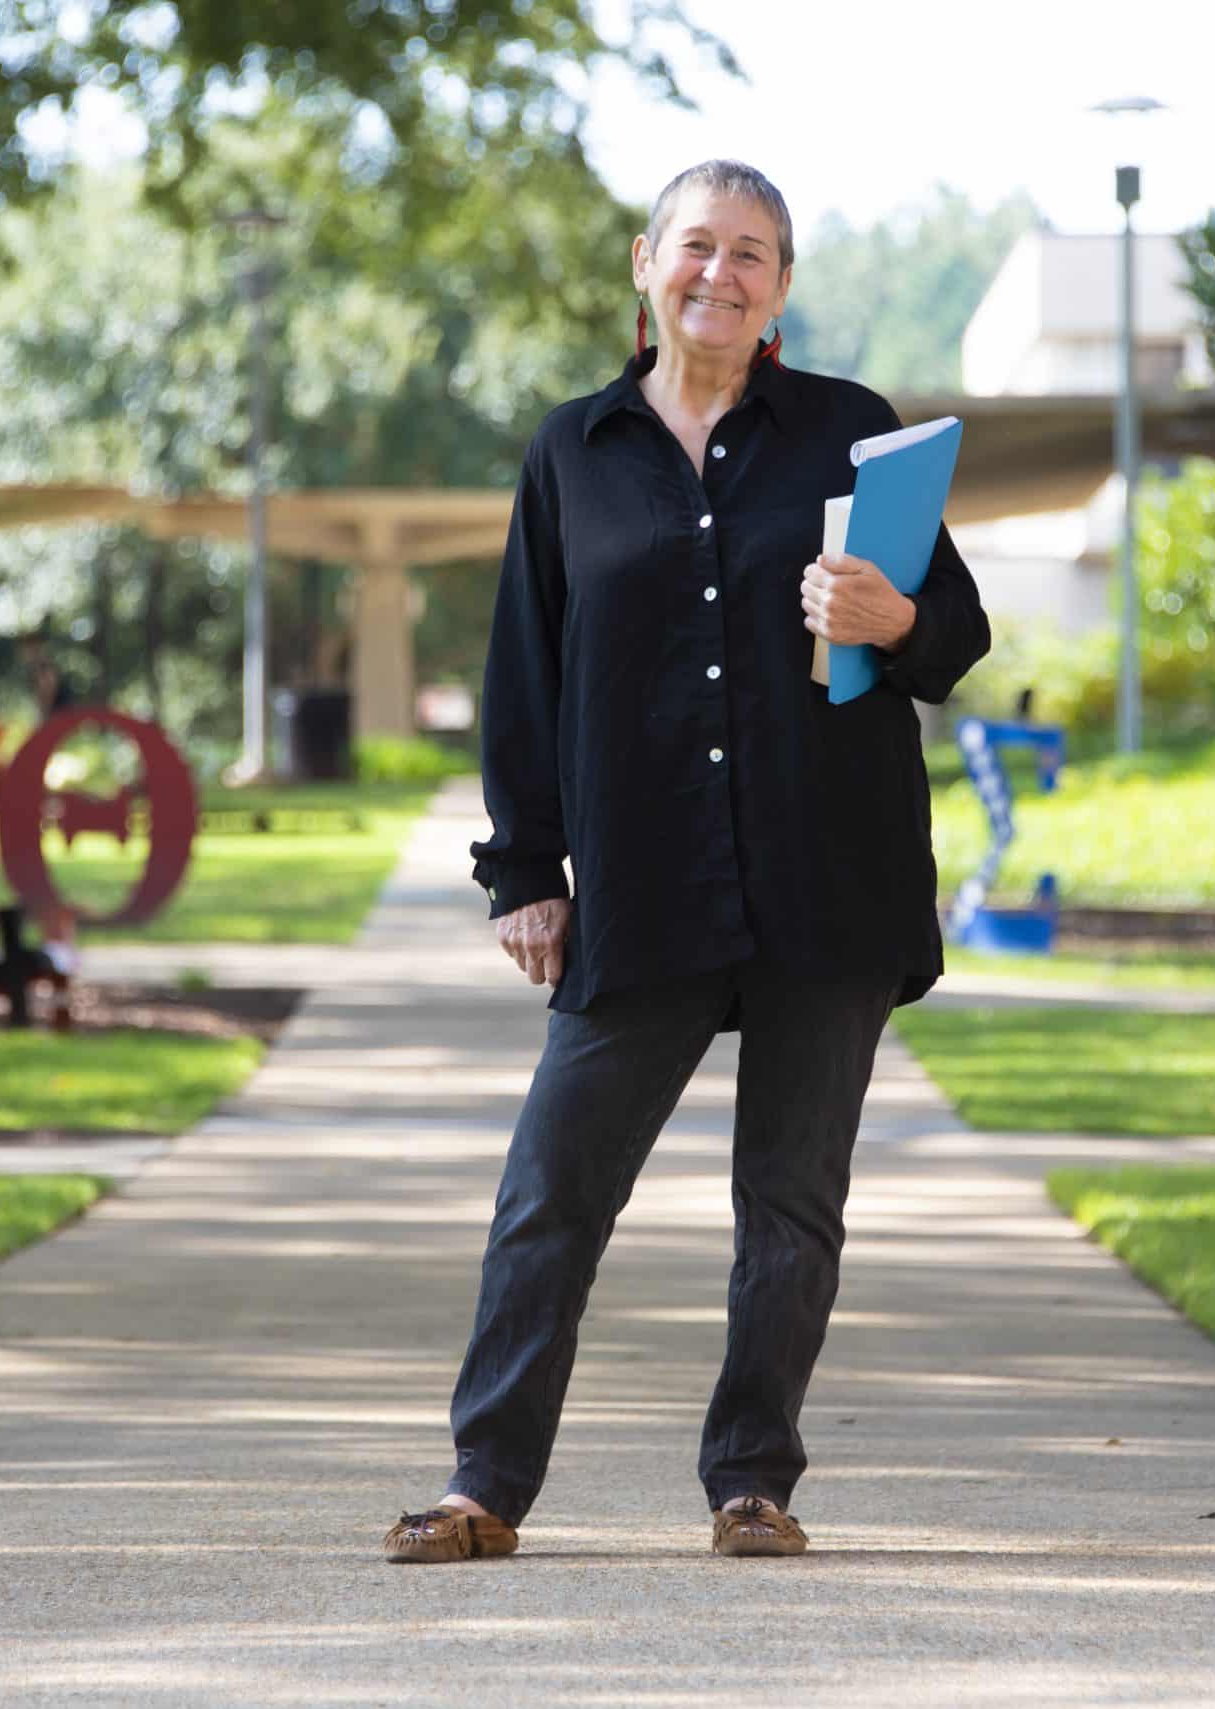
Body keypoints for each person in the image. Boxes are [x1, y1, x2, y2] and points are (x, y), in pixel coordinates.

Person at [384, 160, 990, 1565]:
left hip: (825, 877)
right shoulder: (571, 449)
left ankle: (752, 1483)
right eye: (699, 245)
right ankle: (487, 1483)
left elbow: (951, 640)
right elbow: (524, 674)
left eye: (755, 254)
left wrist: (891, 611)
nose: (723, 273)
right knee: (552, 1189)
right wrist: (523, 866)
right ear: (646, 263)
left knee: (791, 1204)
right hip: (645, 882)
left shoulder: (851, 433)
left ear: (782, 288)